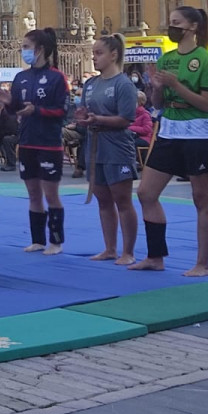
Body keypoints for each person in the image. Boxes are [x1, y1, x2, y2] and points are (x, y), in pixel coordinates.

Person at [130, 6, 208, 275]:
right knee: (146, 192)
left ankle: (202, 263)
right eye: (170, 22)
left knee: (201, 198)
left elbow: (206, 103)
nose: (172, 27)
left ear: (192, 27)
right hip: (169, 130)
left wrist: (177, 85)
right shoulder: (167, 59)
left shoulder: (206, 60)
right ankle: (155, 256)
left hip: (198, 133)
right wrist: (157, 88)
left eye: (177, 23)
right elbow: (158, 103)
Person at [7, 26, 69, 254]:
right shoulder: (21, 77)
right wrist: (6, 103)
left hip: (48, 143)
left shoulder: (56, 77)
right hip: (26, 142)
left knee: (50, 193)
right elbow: (16, 109)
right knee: (33, 193)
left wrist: (37, 111)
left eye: (26, 47)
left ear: (40, 49)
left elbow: (62, 111)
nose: (23, 51)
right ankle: (37, 240)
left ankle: (56, 241)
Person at [78, 34, 140, 265]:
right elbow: (86, 110)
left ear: (113, 55)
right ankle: (110, 248)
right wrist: (83, 118)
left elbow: (126, 119)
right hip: (95, 146)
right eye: (93, 53)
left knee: (122, 199)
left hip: (117, 146)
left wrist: (99, 119)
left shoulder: (123, 84)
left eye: (99, 53)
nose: (94, 58)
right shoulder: (91, 84)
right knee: (103, 199)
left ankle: (128, 251)